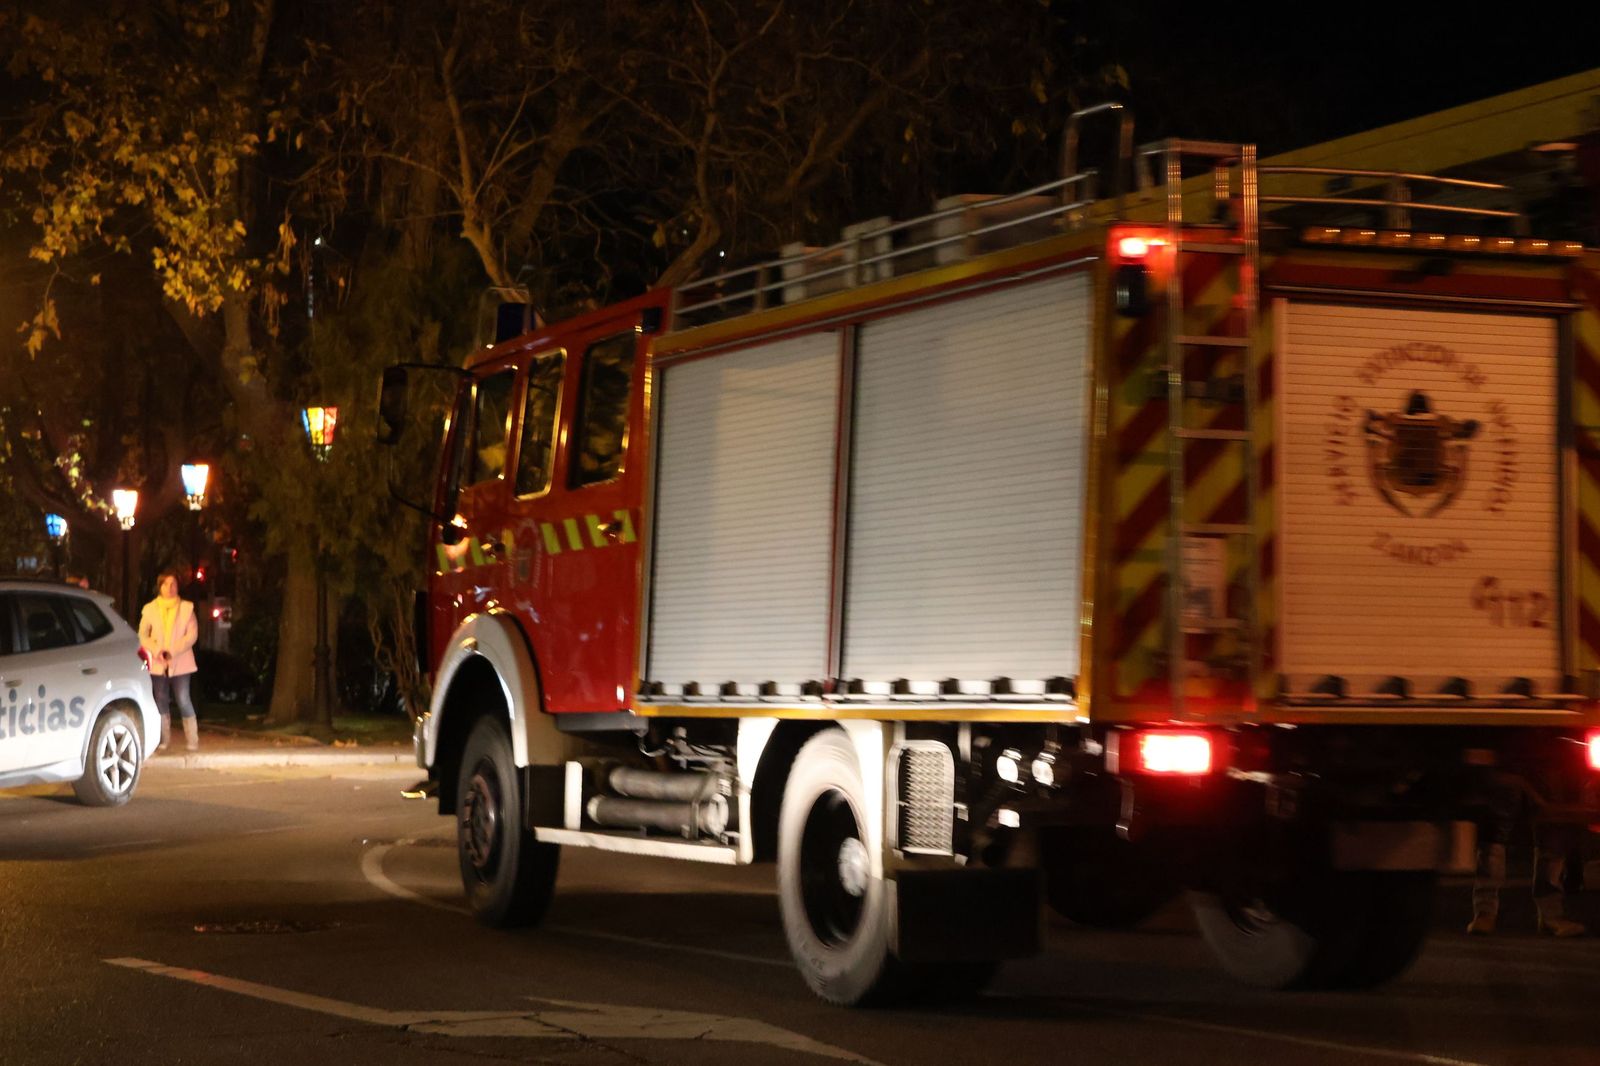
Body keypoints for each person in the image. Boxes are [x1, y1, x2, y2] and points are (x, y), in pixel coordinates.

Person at [139, 571, 200, 753]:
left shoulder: (187, 608)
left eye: (173, 584)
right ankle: (163, 739)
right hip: (158, 663)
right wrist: (157, 650)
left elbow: (192, 635)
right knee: (160, 699)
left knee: (183, 699)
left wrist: (173, 650)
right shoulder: (150, 609)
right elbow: (142, 634)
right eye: (166, 584)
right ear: (160, 587)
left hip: (181, 662)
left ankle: (192, 739)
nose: (170, 588)